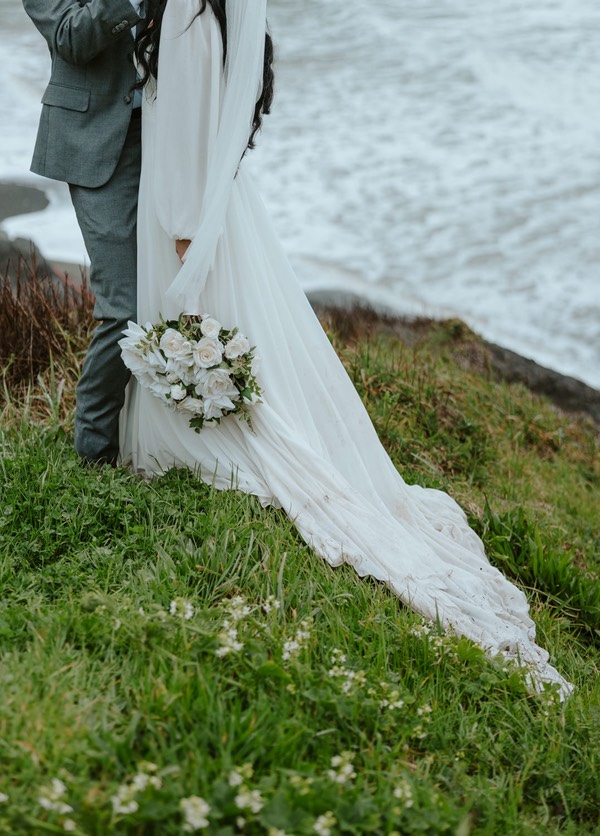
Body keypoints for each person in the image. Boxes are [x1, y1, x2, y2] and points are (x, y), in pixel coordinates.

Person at [120, 0, 571, 697]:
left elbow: (184, 134)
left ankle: (202, 436)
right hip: (211, 208)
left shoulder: (185, 17)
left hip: (185, 213)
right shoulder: (202, 19)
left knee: (211, 340)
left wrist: (186, 243)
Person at [23, 0, 146, 466]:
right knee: (124, 307)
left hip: (169, 133)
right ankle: (95, 453)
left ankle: (172, 434)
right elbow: (71, 38)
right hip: (94, 138)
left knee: (180, 285)